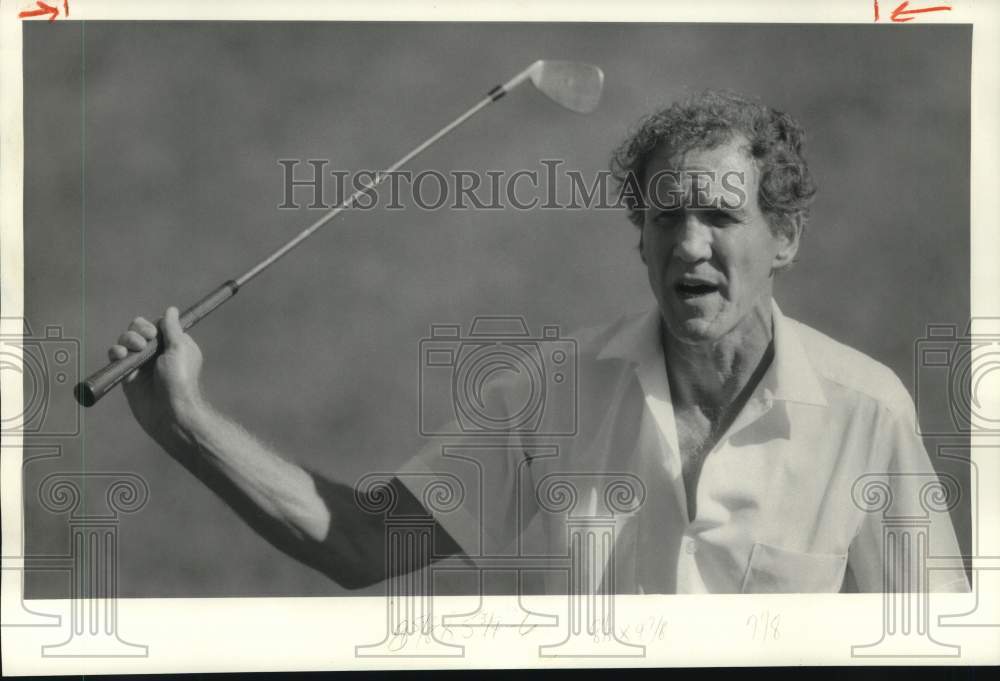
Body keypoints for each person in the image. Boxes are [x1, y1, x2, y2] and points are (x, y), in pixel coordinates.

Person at [109, 90, 968, 594]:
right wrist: (185, 421)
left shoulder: (867, 407)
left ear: (784, 238)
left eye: (720, 214)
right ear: (639, 239)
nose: (690, 244)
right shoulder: (551, 392)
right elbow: (361, 539)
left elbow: (938, 642)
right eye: (665, 215)